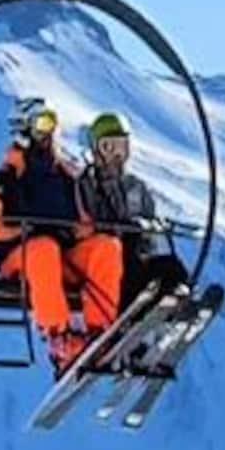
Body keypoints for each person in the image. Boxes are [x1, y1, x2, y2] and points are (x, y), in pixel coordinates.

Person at [0, 99, 124, 374]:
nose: (49, 132)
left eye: (52, 123)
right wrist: (27, 231)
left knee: (106, 247)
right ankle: (59, 337)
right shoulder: (5, 180)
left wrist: (81, 231)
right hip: (22, 257)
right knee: (44, 249)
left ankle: (98, 333)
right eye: (42, 124)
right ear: (24, 130)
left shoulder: (65, 176)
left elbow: (83, 220)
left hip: (61, 255)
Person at [79, 111, 189, 310]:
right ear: (95, 150)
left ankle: (179, 301)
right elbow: (88, 219)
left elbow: (149, 218)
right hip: (106, 258)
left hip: (137, 252)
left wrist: (150, 228)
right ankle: (128, 312)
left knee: (168, 265)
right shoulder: (87, 184)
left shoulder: (135, 187)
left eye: (122, 147)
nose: (116, 155)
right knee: (127, 252)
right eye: (108, 147)